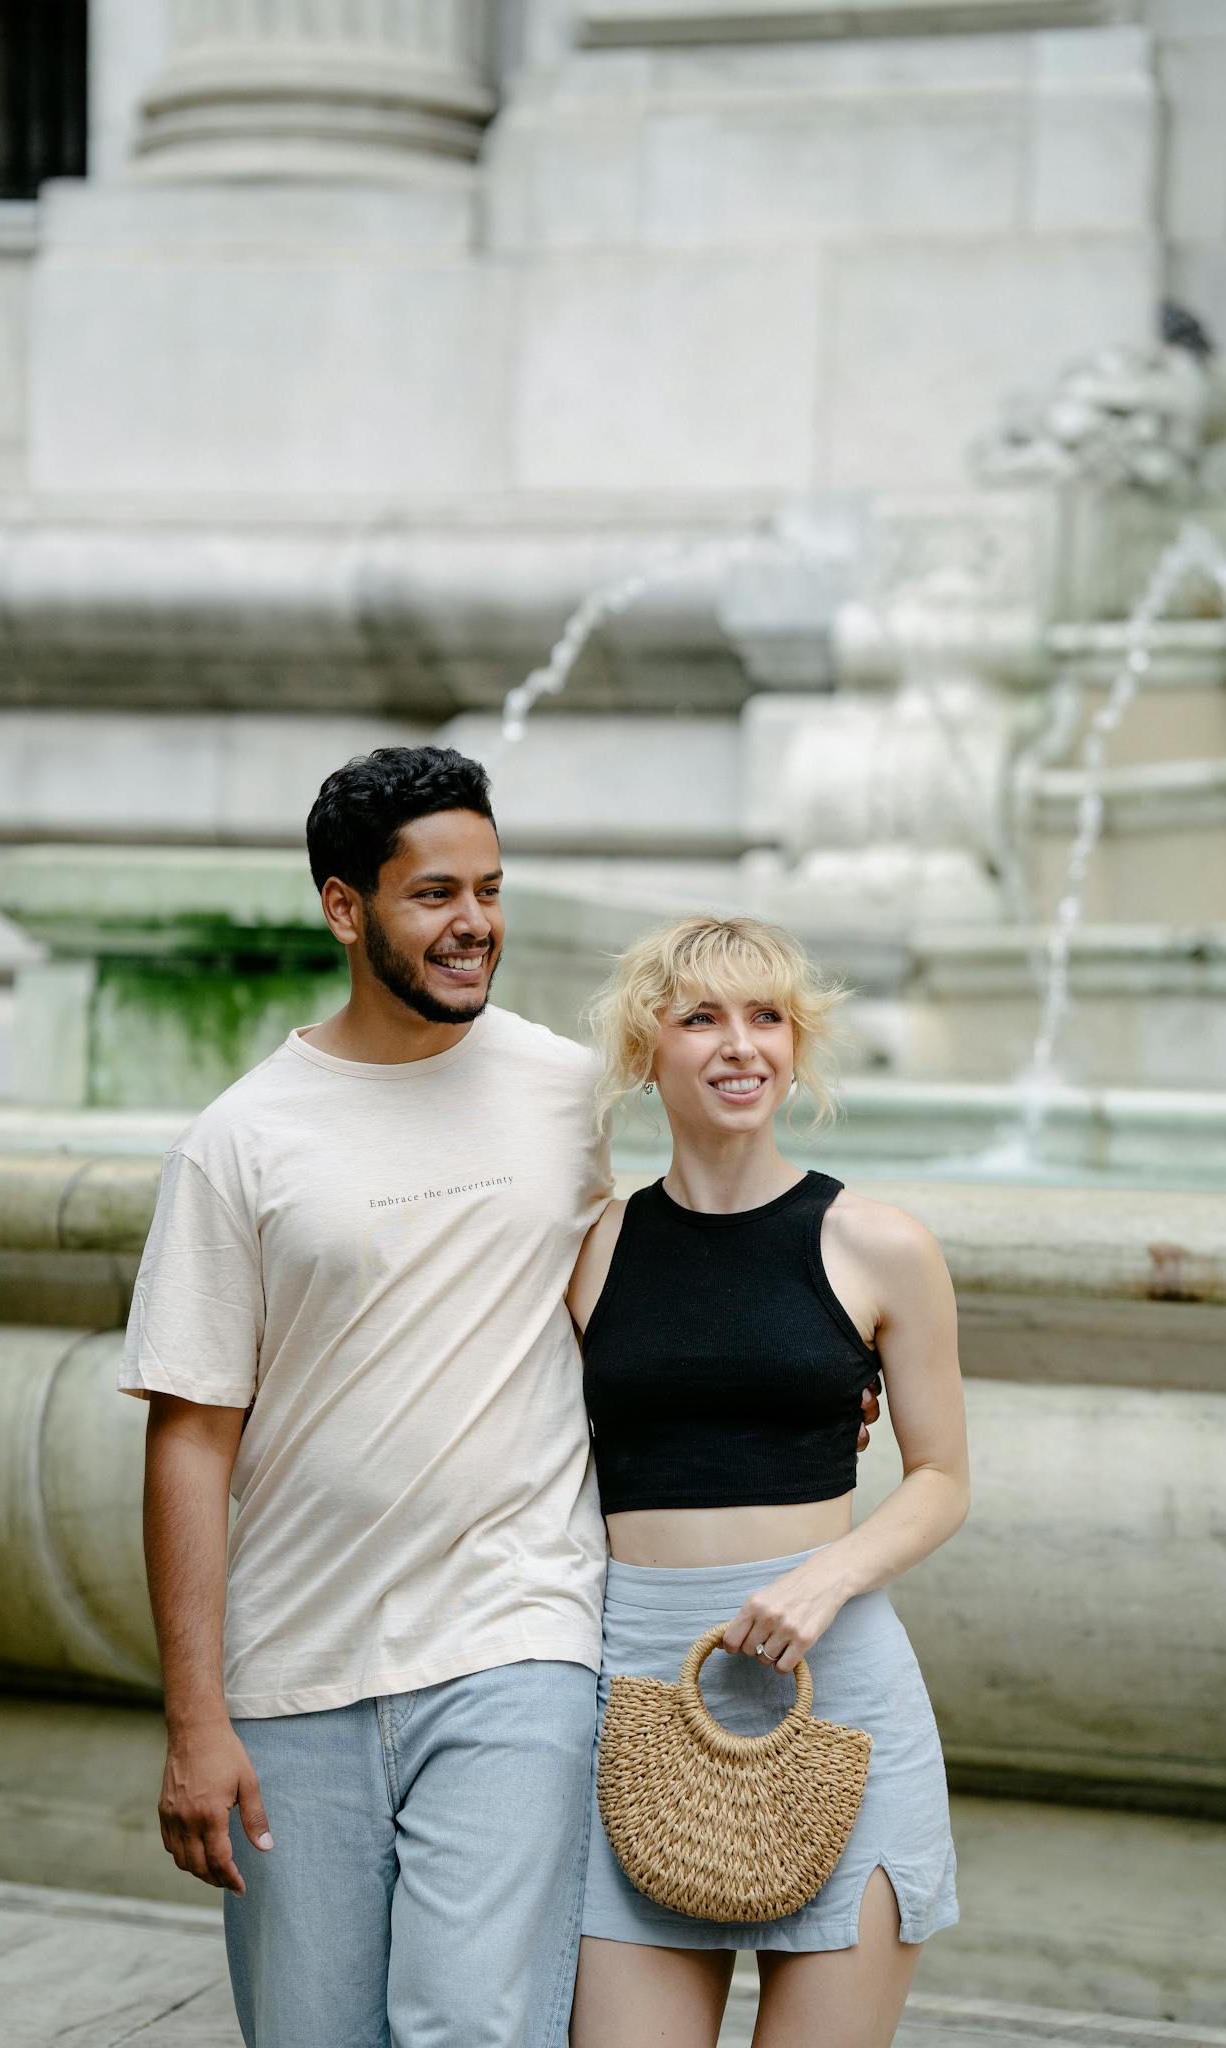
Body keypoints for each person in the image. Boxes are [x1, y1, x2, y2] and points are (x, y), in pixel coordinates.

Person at [119, 746, 616, 2048]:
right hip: (294, 1672)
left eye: (490, 891)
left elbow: (647, 1296)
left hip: (516, 1637)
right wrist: (195, 1721)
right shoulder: (241, 1140)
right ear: (345, 907)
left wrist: (812, 1375)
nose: (474, 926)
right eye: (434, 894)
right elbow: (189, 1438)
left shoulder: (569, 1093)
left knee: (467, 2026)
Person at [567, 913, 967, 2048]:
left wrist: (824, 1577)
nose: (739, 1044)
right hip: (639, 1685)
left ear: (795, 1047)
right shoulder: (591, 1248)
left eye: (766, 1016)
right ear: (647, 1049)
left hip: (834, 1685)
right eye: (699, 1017)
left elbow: (940, 1474)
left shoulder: (874, 1242)